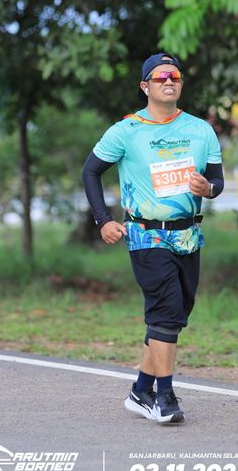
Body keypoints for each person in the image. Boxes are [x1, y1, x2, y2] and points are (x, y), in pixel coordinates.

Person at [81, 53, 224, 424]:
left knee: (174, 316)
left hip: (188, 236)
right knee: (165, 313)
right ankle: (164, 398)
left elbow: (217, 181)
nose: (168, 81)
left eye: (174, 76)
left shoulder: (201, 130)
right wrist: (102, 220)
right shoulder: (127, 130)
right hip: (146, 235)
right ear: (145, 86)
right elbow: (90, 171)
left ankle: (140, 390)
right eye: (160, 77)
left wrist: (208, 188)